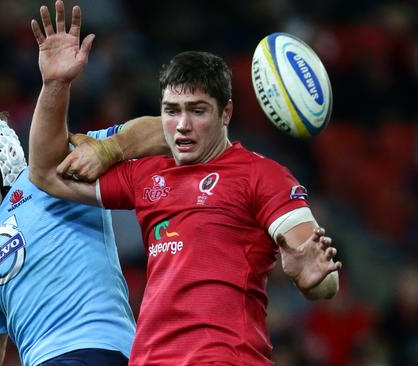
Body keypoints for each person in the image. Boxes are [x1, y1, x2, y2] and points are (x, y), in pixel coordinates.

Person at [28, 1, 342, 364]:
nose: (182, 125)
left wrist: (312, 277)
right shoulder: (146, 175)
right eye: (171, 111)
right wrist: (55, 84)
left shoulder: (263, 176)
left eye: (197, 111)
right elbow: (45, 173)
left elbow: (321, 274)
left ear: (225, 113)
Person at [0, 111, 168, 366]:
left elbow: (159, 130)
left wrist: (113, 147)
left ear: (4, 154)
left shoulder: (55, 172)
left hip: (98, 345)